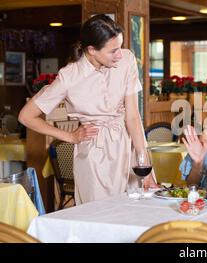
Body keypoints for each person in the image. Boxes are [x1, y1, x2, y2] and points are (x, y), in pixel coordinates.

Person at [18, 15, 157, 205]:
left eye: (120, 46)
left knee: (138, 213)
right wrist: (70, 137)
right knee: (99, 218)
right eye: (113, 50)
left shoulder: (126, 60)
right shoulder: (69, 76)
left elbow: (132, 117)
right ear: (91, 50)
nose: (119, 54)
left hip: (129, 150)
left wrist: (143, 161)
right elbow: (26, 116)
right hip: (94, 157)